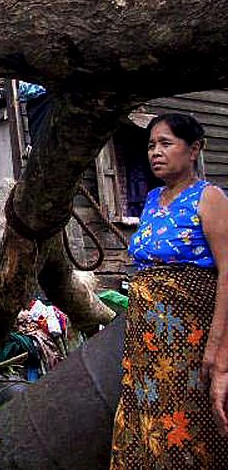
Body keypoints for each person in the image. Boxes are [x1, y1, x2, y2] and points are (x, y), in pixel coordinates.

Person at [111, 113, 228, 468]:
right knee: (147, 425)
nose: (155, 153)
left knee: (188, 429)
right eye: (150, 145)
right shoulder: (151, 200)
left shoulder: (208, 198)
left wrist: (219, 352)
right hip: (147, 346)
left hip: (190, 344)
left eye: (166, 143)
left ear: (194, 150)